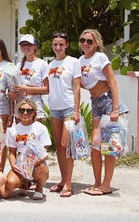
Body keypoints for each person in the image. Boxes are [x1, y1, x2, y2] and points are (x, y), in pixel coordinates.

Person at [76, 29, 128, 196]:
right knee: (95, 146)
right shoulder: (80, 61)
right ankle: (97, 182)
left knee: (109, 146)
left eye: (89, 41)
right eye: (83, 40)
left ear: (96, 44)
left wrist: (115, 109)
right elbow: (85, 83)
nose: (85, 43)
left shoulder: (101, 57)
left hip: (108, 102)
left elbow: (112, 82)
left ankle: (106, 185)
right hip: (96, 103)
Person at [46, 32, 81, 198]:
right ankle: (62, 180)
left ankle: (68, 183)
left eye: (61, 44)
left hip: (68, 108)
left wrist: (76, 110)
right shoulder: (50, 63)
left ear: (67, 45)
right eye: (55, 44)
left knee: (66, 144)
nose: (58, 47)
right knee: (59, 146)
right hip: (54, 109)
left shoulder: (74, 62)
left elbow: (76, 87)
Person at [5, 98, 51, 200]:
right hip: (21, 163)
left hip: (37, 162)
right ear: (18, 112)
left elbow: (45, 150)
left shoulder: (40, 128)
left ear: (34, 113)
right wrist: (13, 165)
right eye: (22, 110)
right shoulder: (13, 130)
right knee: (10, 184)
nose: (25, 113)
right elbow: (12, 153)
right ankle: (24, 183)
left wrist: (36, 162)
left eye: (29, 110)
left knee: (41, 169)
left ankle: (39, 187)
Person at [9, 34, 49, 122]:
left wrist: (27, 89)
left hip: (35, 105)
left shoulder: (42, 64)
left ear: (35, 46)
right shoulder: (18, 65)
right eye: (23, 45)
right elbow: (14, 87)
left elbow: (47, 89)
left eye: (29, 44)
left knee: (35, 135)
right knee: (20, 134)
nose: (26, 47)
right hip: (20, 105)